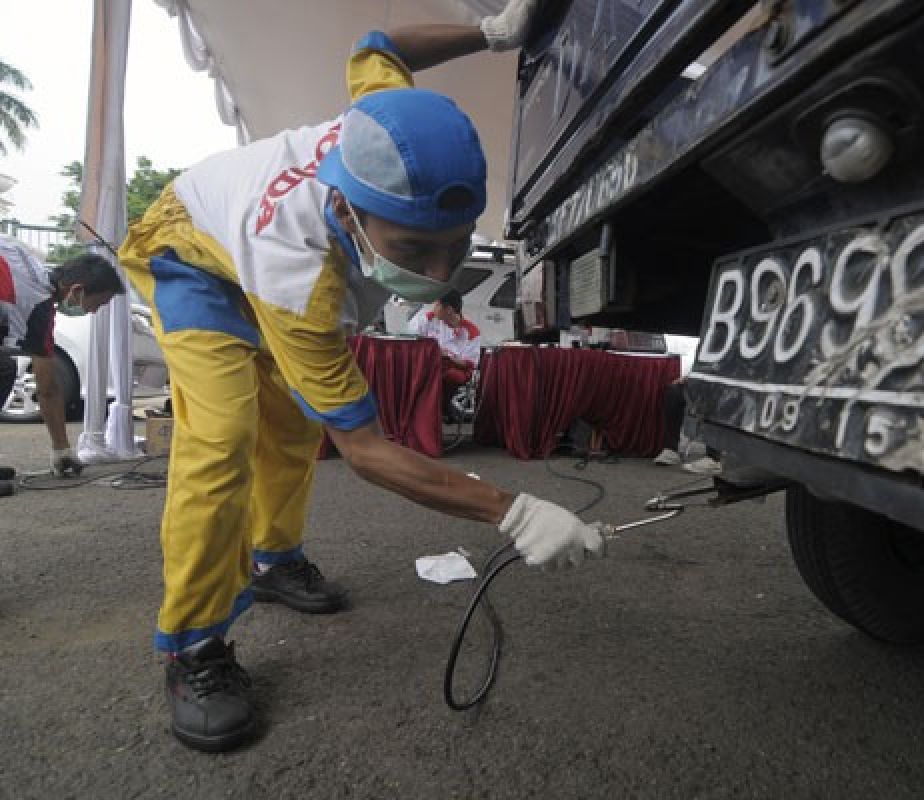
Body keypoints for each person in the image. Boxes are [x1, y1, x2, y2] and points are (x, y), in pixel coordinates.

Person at [117, 0, 604, 753]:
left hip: (252, 251)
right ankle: (193, 647)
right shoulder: (299, 279)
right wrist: (513, 511)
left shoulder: (388, 121)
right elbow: (368, 449)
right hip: (189, 257)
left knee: (290, 423)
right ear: (346, 207)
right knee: (223, 439)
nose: (443, 275)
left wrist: (494, 33)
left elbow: (378, 43)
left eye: (457, 244)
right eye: (414, 247)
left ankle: (275, 561)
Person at [1, 238, 125, 476]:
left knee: (4, 369)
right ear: (76, 290)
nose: (94, 311)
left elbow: (48, 386)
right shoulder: (35, 304)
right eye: (97, 303)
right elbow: (47, 389)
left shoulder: (31, 270)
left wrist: (62, 448)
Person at [411, 288, 481, 408]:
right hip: (428, 363)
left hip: (453, 368)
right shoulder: (428, 319)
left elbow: (469, 364)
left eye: (437, 304)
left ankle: (438, 408)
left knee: (448, 375)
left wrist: (447, 356)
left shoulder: (471, 331)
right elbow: (411, 340)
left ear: (448, 309)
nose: (434, 307)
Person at [654, 377, 722, 476]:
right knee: (674, 390)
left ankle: (714, 460)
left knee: (713, 393)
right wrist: (691, 377)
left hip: (734, 384)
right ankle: (671, 449)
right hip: (710, 379)